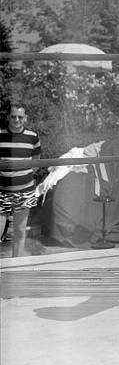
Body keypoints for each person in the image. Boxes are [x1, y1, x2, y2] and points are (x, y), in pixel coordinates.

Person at [0, 103, 41, 257]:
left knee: (19, 231)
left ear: (25, 118)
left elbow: (37, 160)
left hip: (24, 191)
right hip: (1, 192)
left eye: (20, 117)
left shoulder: (33, 136)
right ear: (8, 117)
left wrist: (24, 175)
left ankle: (16, 267)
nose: (16, 119)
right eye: (13, 116)